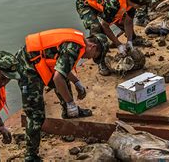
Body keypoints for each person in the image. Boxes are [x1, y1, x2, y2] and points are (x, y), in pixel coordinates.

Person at [15, 28, 108, 162]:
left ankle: (68, 112)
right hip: (27, 66)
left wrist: (76, 82)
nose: (89, 59)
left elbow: (60, 66)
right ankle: (30, 154)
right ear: (93, 46)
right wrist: (70, 102)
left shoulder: (78, 42)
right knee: (36, 114)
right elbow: (57, 78)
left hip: (38, 60)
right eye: (94, 56)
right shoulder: (74, 48)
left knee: (63, 80)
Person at [76, 0, 153, 75]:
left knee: (122, 20)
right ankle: (101, 62)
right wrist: (118, 44)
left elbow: (128, 22)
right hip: (86, 3)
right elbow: (105, 25)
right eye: (142, 6)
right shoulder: (114, 4)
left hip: (102, 2)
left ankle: (133, 39)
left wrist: (129, 41)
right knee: (97, 31)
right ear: (137, 4)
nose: (141, 8)